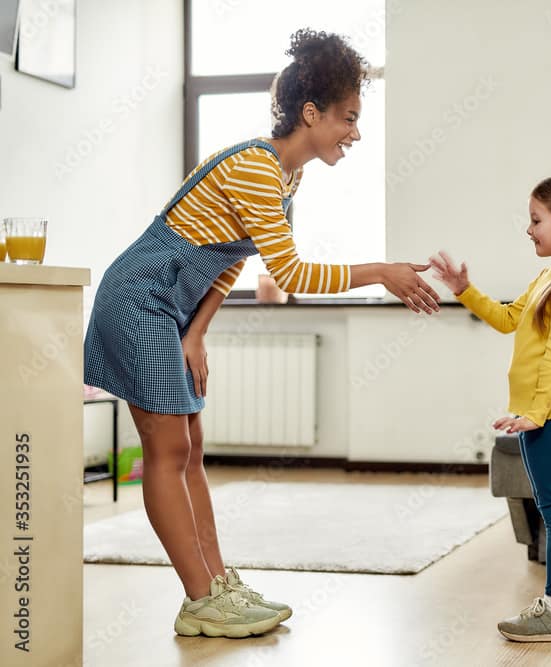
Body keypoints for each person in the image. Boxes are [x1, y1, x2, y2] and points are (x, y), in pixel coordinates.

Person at [83, 29, 440, 638]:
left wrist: (196, 334)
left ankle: (219, 585)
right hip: (139, 297)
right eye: (348, 118)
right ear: (311, 113)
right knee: (167, 454)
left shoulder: (285, 177)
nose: (354, 132)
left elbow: (230, 259)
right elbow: (293, 272)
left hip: (170, 308)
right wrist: (380, 270)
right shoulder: (255, 166)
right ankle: (200, 600)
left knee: (189, 449)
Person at [429, 174, 551, 642]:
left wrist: (537, 414)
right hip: (535, 414)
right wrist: (464, 289)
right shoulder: (550, 276)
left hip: (547, 416)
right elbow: (509, 319)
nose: (528, 229)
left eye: (536, 220)